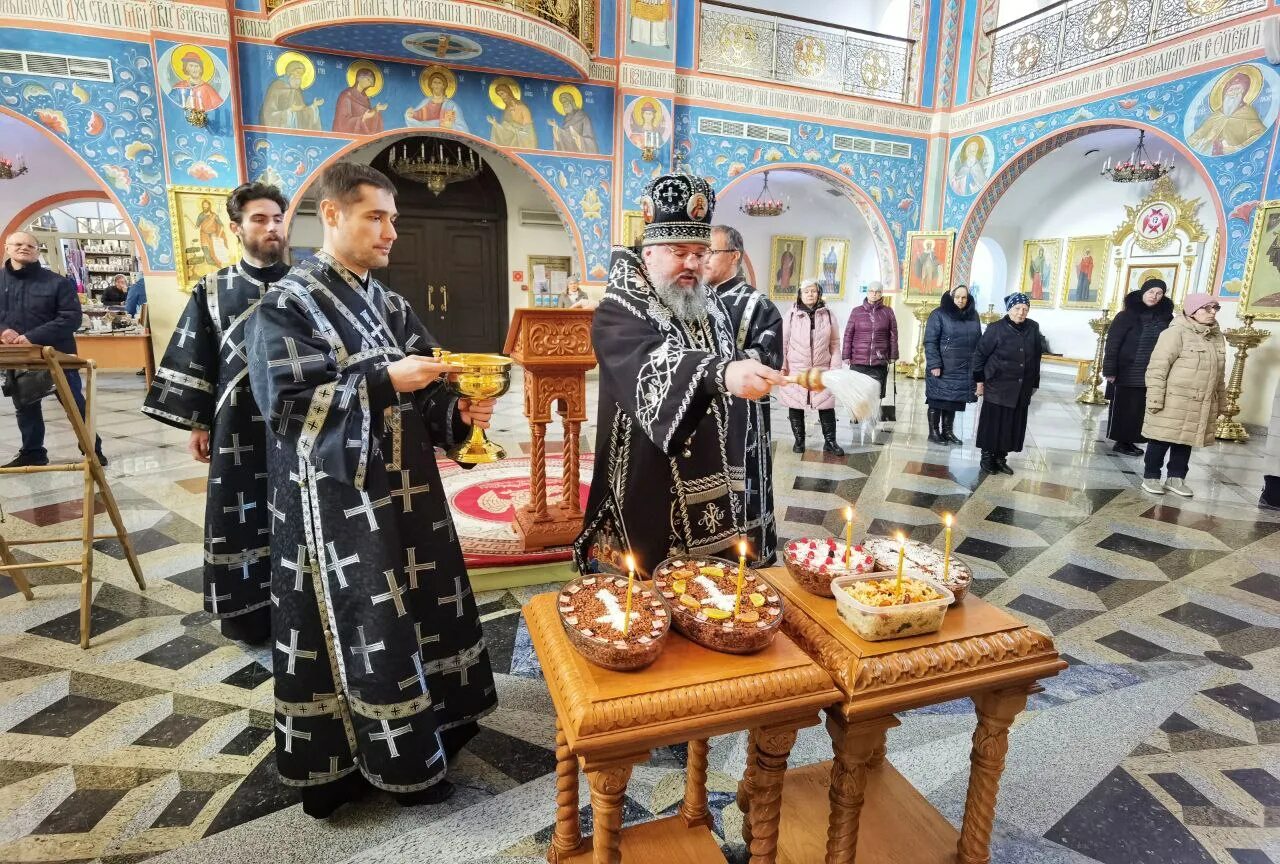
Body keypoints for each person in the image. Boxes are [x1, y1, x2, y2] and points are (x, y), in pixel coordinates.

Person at [247, 162, 497, 817]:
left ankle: (434, 732)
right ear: (332, 216)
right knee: (367, 623)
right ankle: (352, 765)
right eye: (376, 218)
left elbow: (431, 386)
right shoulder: (287, 304)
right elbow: (287, 404)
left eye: (394, 220)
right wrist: (386, 381)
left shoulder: (390, 304)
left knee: (418, 613)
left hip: (409, 497)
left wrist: (457, 415)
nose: (391, 232)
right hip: (337, 509)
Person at [573, 173, 785, 574]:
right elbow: (649, 363)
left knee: (706, 595)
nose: (692, 263)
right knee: (641, 604)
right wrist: (722, 374)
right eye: (678, 251)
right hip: (647, 482)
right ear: (649, 251)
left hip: (716, 479)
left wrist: (751, 372)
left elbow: (731, 361)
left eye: (701, 252)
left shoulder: (709, 302)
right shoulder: (620, 306)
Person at [142, 182, 292, 646]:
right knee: (238, 516)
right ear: (235, 228)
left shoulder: (304, 285)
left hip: (294, 423)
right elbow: (197, 357)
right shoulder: (213, 288)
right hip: (235, 428)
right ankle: (247, 617)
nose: (271, 228)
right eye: (260, 219)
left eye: (277, 219)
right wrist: (199, 424)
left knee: (295, 514)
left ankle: (298, 609)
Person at [705, 223, 783, 564]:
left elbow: (768, 357)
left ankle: (750, 551)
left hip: (743, 416)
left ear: (734, 256)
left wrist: (725, 367)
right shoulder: (693, 298)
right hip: (703, 413)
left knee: (745, 480)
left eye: (711, 252)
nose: (703, 259)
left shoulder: (757, 304)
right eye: (699, 252)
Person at [0, 231, 105, 468]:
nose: (23, 248)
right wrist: (3, 331)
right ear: (7, 248)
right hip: (18, 358)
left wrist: (31, 337)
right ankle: (33, 451)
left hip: (57, 355)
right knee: (25, 405)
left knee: (75, 405)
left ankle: (93, 450)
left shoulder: (57, 282)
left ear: (38, 251)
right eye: (17, 244)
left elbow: (71, 318)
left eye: (30, 245)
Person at [1140, 293, 1227, 497]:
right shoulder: (1175, 333)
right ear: (1192, 311)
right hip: (1172, 400)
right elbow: (1157, 368)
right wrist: (1155, 398)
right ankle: (1151, 476)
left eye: (1215, 308)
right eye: (1207, 308)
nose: (1213, 312)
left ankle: (1176, 478)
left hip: (1199, 402)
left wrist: (1221, 403)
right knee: (1160, 438)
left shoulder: (1216, 337)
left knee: (1185, 441)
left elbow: (1220, 375)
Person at [972, 292, 1041, 475]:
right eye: (1017, 308)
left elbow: (1036, 358)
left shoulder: (1033, 328)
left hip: (1021, 388)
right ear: (1009, 309)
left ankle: (1001, 458)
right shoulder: (996, 328)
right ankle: (987, 458)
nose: (1021, 313)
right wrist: (979, 381)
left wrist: (1034, 383)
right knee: (993, 424)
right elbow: (980, 355)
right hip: (997, 385)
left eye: (1025, 309)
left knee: (1012, 425)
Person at [1102, 278, 1173, 457]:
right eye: (1151, 292)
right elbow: (1113, 343)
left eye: (1159, 293)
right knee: (1124, 408)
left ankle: (1131, 441)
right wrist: (1110, 370)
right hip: (1126, 370)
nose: (1154, 296)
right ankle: (1121, 442)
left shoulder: (1166, 317)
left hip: (1152, 371)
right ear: (1143, 292)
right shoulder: (1126, 315)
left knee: (1140, 409)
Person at [780, 279, 844, 457]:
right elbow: (783, 343)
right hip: (796, 369)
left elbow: (835, 344)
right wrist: (782, 367)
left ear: (819, 293)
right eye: (806, 291)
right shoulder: (791, 315)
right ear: (800, 294)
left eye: (814, 291)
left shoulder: (828, 315)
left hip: (822, 369)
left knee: (826, 406)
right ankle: (799, 441)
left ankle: (830, 442)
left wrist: (836, 368)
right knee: (795, 404)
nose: (810, 294)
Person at [924, 283, 982, 445]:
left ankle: (947, 431)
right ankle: (933, 432)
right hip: (942, 367)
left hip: (963, 367)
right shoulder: (938, 314)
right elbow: (930, 341)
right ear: (951, 297)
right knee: (937, 399)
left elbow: (979, 341)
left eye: (964, 297)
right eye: (957, 297)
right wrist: (934, 364)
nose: (960, 300)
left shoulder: (973, 315)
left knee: (953, 400)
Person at [1187, 69, 1267, 156]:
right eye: (1232, 90)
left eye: (1238, 90)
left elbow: (1261, 134)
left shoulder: (1247, 113)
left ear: (1243, 93)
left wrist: (1236, 148)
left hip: (1236, 157)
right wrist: (1207, 144)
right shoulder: (1215, 116)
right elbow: (1194, 138)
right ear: (1225, 92)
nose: (1234, 93)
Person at [841, 281, 898, 400]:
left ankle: (871, 418)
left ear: (881, 294)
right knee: (857, 394)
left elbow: (893, 335)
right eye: (871, 291)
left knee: (875, 395)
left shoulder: (888, 312)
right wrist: (846, 355)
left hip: (879, 362)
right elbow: (848, 334)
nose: (874, 294)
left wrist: (893, 355)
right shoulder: (856, 311)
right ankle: (855, 418)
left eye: (877, 292)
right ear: (867, 293)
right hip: (858, 361)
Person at [260, 60, 323, 130]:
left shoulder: (297, 91)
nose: (299, 77)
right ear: (289, 73)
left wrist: (313, 107)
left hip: (297, 134)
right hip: (281, 134)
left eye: (301, 75)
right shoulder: (277, 86)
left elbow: (303, 116)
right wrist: (289, 111)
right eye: (297, 73)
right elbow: (268, 115)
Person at [332, 66, 386, 135]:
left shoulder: (365, 99)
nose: (369, 84)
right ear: (359, 78)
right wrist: (362, 118)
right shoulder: (346, 95)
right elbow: (342, 122)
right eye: (368, 80)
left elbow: (368, 116)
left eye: (371, 83)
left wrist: (376, 110)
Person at [486, 81, 536, 148]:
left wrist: (514, 129)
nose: (502, 97)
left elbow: (528, 133)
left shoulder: (523, 108)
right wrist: (495, 124)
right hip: (511, 143)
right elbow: (505, 131)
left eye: (502, 93)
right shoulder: (507, 110)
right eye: (499, 95)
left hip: (523, 143)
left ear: (508, 92)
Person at [548, 89, 598, 154]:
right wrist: (555, 127)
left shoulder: (583, 117)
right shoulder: (566, 120)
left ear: (572, 103)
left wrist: (578, 138)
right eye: (563, 104)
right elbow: (565, 139)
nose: (565, 106)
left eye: (566, 103)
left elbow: (591, 142)